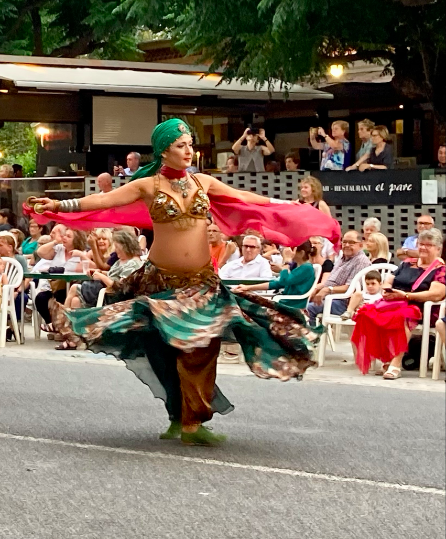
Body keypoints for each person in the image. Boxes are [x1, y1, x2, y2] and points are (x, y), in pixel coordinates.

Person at [29, 119, 336, 446]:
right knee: (160, 347)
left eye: (190, 144)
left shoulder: (203, 182)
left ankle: (193, 420)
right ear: (164, 150)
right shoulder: (147, 186)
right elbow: (104, 201)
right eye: (181, 145)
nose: (189, 150)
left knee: (201, 346)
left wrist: (290, 207)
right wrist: (60, 205)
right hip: (159, 280)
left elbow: (245, 199)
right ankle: (178, 413)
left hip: (202, 281)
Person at [350, 229, 445, 379]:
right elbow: (389, 279)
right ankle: (384, 358)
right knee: (366, 313)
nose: (423, 248)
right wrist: (387, 289)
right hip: (395, 301)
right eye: (421, 244)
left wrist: (406, 295)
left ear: (438, 249)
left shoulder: (440, 269)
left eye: (429, 245)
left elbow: (436, 294)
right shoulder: (407, 263)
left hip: (420, 307)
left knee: (401, 316)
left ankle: (396, 363)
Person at [305, 231, 371, 321]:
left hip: (343, 302)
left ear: (360, 245)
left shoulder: (361, 261)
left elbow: (351, 288)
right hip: (329, 298)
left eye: (351, 242)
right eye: (344, 242)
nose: (347, 245)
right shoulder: (341, 258)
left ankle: (312, 334)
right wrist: (317, 290)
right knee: (300, 305)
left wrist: (328, 290)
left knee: (309, 309)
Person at [233, 240, 318, 309]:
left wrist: (287, 261)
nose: (287, 252)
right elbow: (277, 283)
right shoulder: (297, 267)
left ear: (302, 253)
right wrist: (248, 287)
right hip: (284, 302)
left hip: (291, 305)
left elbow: (283, 281)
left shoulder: (307, 268)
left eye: (291, 250)